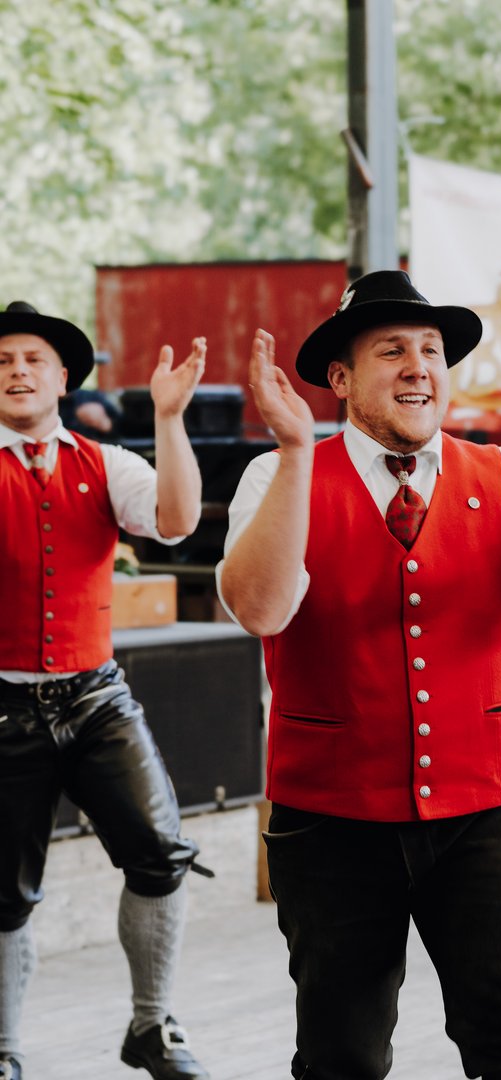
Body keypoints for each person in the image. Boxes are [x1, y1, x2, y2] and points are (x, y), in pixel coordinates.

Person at [217, 270, 501, 1080]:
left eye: (431, 350)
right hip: (331, 819)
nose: (419, 366)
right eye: (392, 350)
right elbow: (260, 609)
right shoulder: (277, 476)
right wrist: (294, 456)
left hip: (482, 813)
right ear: (340, 378)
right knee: (341, 1058)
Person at [0, 301, 210, 1080]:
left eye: (33, 359)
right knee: (4, 893)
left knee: (159, 852)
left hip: (95, 696)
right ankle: (2, 1047)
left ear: (63, 379)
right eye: (2, 362)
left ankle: (152, 1026)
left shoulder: (107, 462)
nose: (17, 371)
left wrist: (169, 418)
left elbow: (176, 521)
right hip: (2, 703)